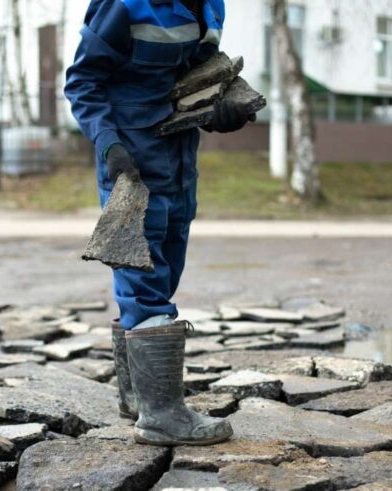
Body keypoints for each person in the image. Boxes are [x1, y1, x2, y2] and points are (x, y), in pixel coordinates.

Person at [65, 0, 255, 446]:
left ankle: (137, 397)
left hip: (178, 158)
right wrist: (108, 144)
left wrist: (221, 107)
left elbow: (199, 74)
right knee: (142, 273)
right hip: (131, 161)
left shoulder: (211, 5)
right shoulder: (125, 5)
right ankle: (162, 415)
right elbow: (83, 81)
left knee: (166, 268)